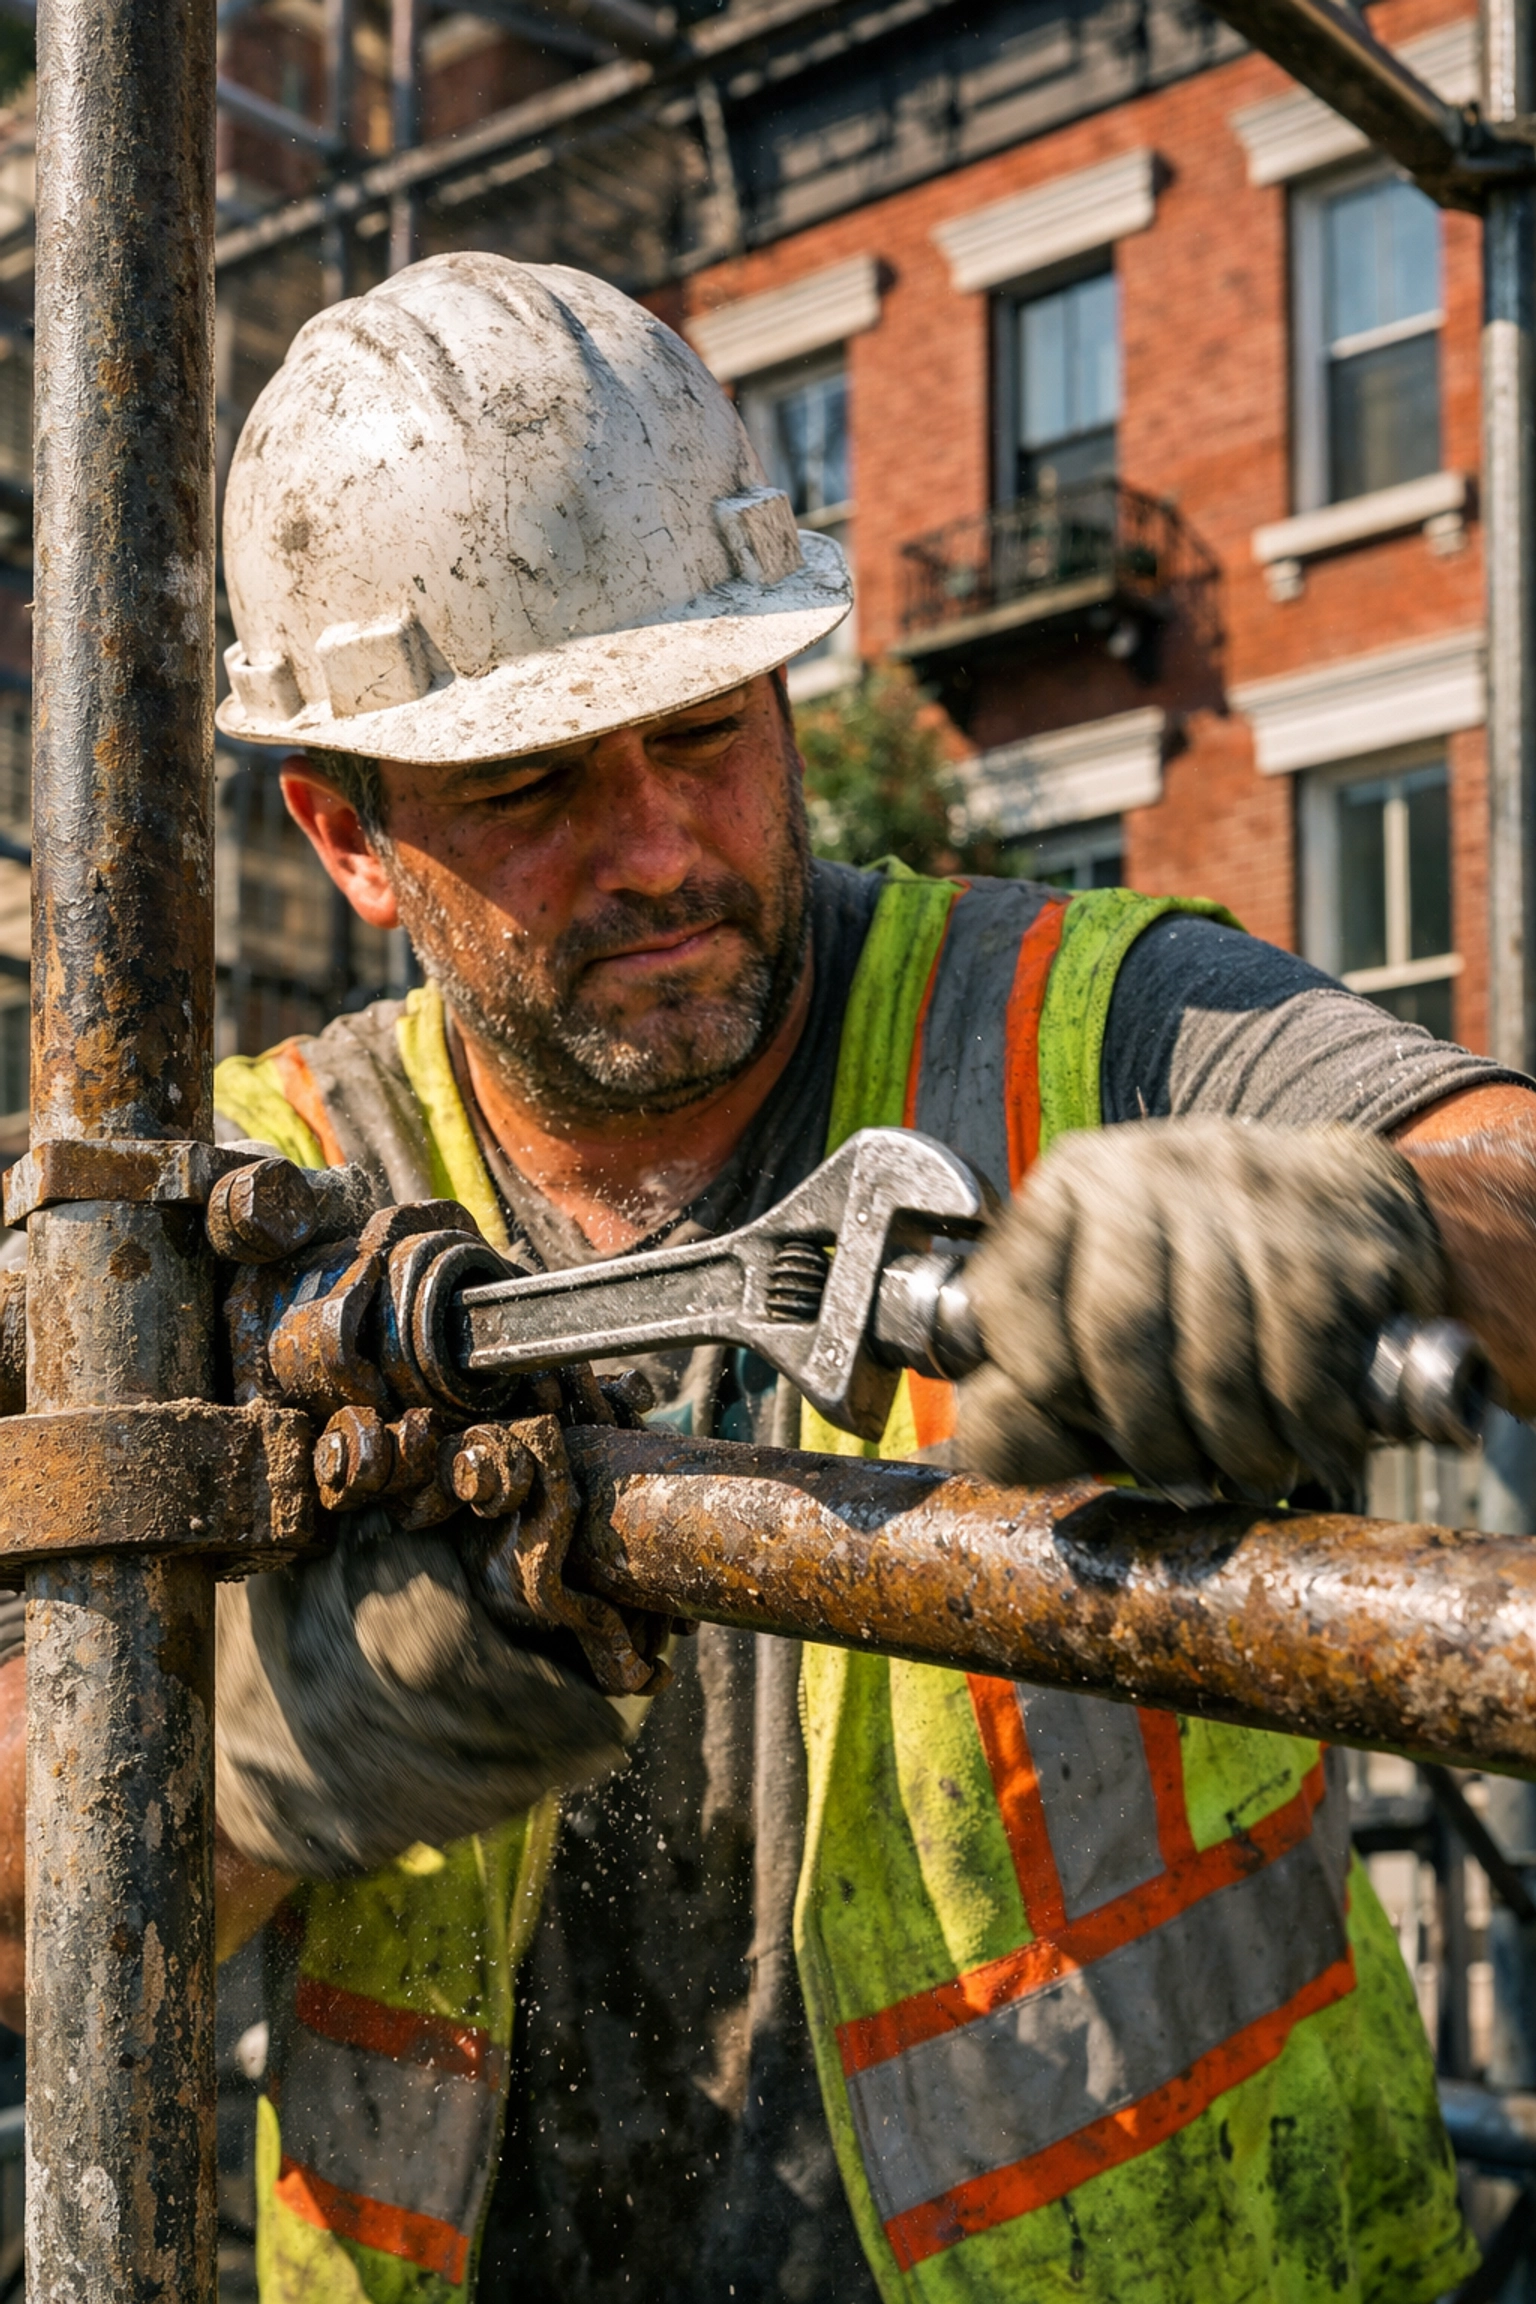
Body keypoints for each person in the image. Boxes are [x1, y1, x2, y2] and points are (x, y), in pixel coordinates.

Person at [6, 247, 1536, 2304]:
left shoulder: (1085, 1023)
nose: (658, 843)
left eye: (704, 729)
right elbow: (24, 1925)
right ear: (350, 839)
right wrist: (267, 1765)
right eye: (535, 785)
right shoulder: (236, 1205)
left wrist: (1385, 1229)